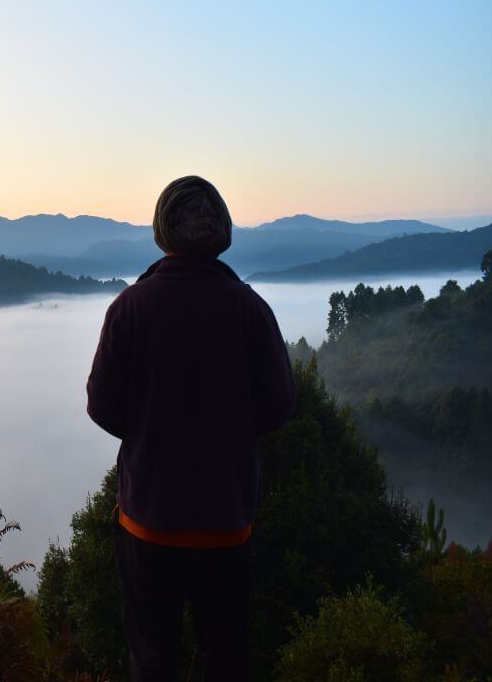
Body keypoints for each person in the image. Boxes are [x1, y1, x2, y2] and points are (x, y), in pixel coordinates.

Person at [86, 176, 296, 681]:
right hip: (226, 522)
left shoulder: (130, 308)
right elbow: (279, 406)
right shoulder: (249, 308)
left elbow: (101, 406)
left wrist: (149, 432)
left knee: (152, 659)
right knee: (226, 659)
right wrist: (228, 437)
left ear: (162, 230)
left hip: (148, 521)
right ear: (222, 230)